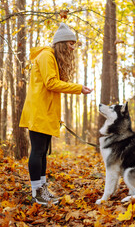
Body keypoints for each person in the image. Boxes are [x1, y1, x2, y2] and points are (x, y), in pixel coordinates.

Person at [19, 23, 93, 205]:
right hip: (38, 112)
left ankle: (42, 189)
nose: (73, 48)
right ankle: (36, 192)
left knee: (43, 152)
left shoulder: (51, 57)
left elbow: (51, 88)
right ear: (61, 43)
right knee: (37, 151)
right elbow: (51, 83)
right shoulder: (46, 56)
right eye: (70, 43)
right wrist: (78, 88)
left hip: (46, 112)